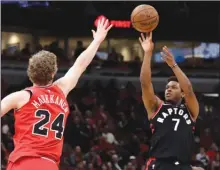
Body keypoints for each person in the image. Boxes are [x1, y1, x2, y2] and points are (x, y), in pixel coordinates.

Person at [1, 18, 112, 170]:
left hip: (24, 162)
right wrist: (97, 41)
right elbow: (80, 64)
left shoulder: (21, 96)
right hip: (49, 164)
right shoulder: (61, 89)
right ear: (53, 73)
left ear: (29, 73)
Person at [139, 32, 200, 170]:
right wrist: (148, 53)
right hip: (160, 164)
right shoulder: (156, 106)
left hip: (182, 165)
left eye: (173, 87)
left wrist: (173, 65)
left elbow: (189, 88)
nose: (168, 90)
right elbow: (145, 83)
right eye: (167, 88)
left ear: (182, 93)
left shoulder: (191, 110)